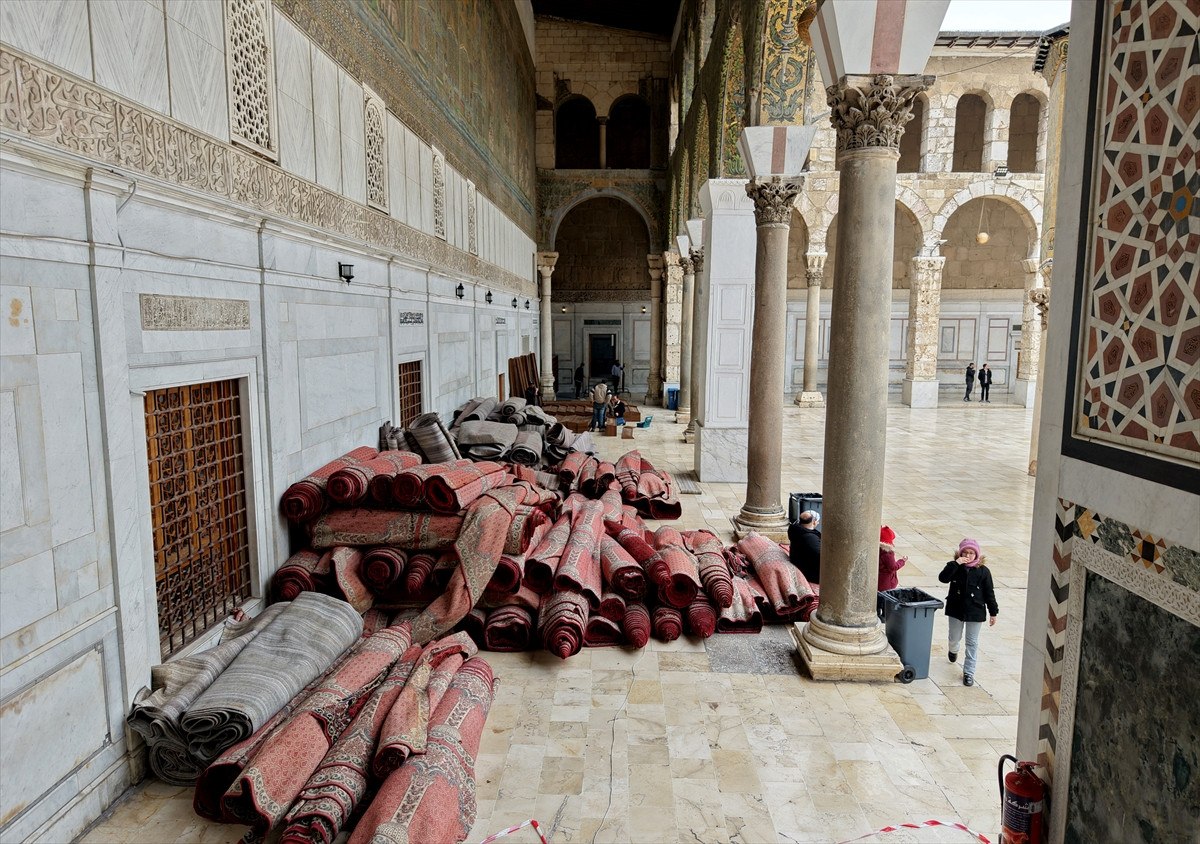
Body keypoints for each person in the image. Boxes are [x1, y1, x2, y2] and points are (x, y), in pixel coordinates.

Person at [938, 538, 999, 687]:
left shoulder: (983, 571)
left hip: (975, 611)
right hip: (956, 609)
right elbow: (943, 578)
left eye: (972, 553)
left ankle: (969, 672)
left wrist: (993, 612)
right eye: (965, 552)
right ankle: (953, 650)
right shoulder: (954, 567)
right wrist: (956, 564)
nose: (968, 555)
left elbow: (989, 593)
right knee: (954, 637)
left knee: (972, 642)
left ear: (977, 554)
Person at [787, 510, 822, 586]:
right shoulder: (810, 538)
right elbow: (820, 556)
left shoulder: (795, 530)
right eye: (817, 521)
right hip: (810, 573)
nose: (818, 522)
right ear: (814, 522)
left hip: (799, 563)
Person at [877, 525, 908, 591]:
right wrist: (902, 561)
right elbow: (893, 567)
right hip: (885, 583)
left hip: (877, 580)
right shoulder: (887, 553)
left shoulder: (877, 549)